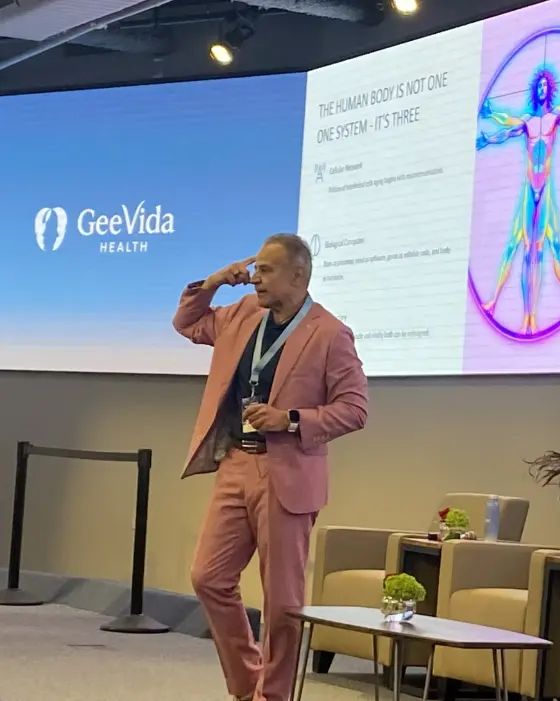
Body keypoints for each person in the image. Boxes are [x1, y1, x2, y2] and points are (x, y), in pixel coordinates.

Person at [173, 233, 368, 701]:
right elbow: (187, 322)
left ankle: (273, 696)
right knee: (208, 577)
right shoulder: (242, 314)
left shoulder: (329, 333)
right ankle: (246, 684)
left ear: (298, 275)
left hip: (288, 474)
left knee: (281, 603)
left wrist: (292, 419)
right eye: (254, 268)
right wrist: (218, 280)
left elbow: (356, 408)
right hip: (236, 463)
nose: (255, 277)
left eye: (266, 269)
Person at [476, 67, 560, 334]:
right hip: (530, 189)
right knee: (518, 245)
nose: (541, 91)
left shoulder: (554, 118)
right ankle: (499, 304)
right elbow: (507, 128)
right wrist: (489, 132)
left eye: (545, 88)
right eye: (538, 87)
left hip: (545, 189)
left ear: (550, 92)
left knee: (552, 244)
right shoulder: (527, 122)